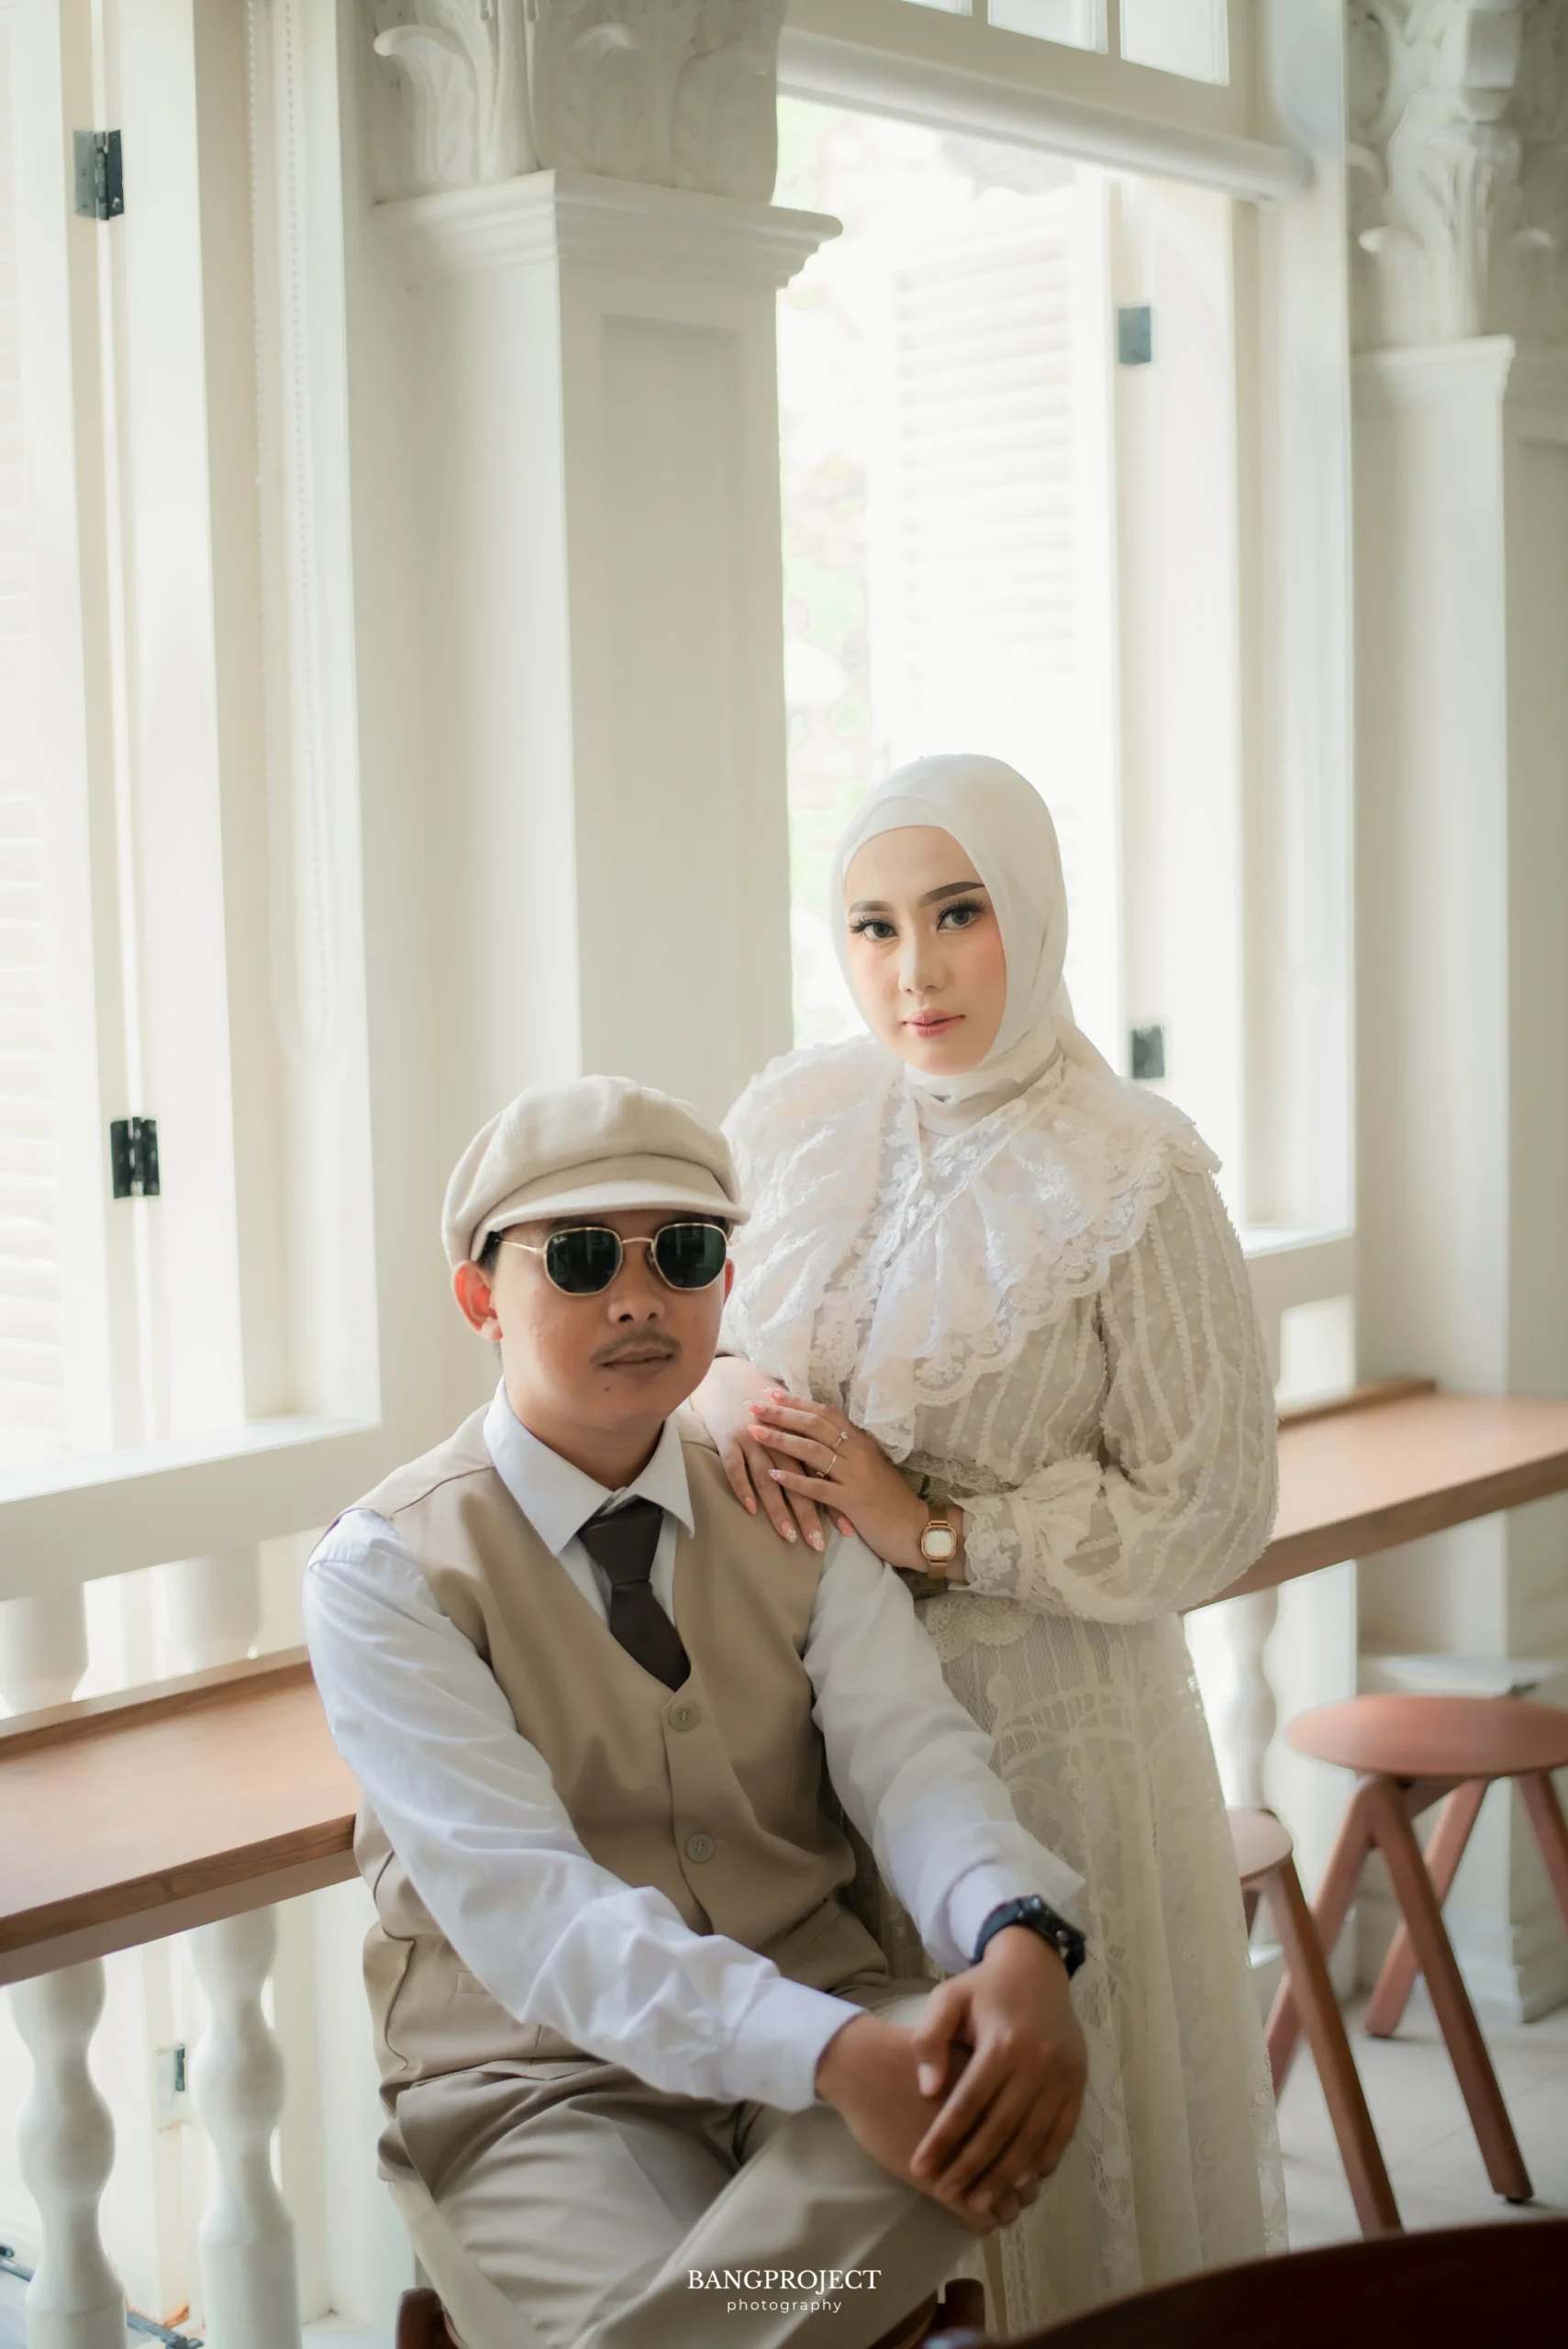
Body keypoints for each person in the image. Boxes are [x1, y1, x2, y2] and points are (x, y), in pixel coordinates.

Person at [304, 1074, 1093, 2349]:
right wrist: (834, 2058)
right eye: (578, 1258)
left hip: (835, 2016)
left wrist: (1018, 1935)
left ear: (725, 1283)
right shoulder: (385, 1570)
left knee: (990, 2094)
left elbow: (915, 1760)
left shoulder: (786, 1510)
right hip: (539, 2087)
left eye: (679, 1253)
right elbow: (534, 1914)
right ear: (478, 1299)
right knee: (773, 2284)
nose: (636, 1298)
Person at [696, 755, 1285, 2327]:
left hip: (1046, 1747)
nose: (916, 970)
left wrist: (937, 1530)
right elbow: (699, 1331)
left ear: (1033, 908)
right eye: (874, 926)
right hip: (806, 1739)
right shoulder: (799, 1119)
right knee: (861, 2188)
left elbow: (1210, 1511)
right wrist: (731, 1390)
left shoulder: (1135, 1170)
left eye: (958, 914)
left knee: (1036, 2182)